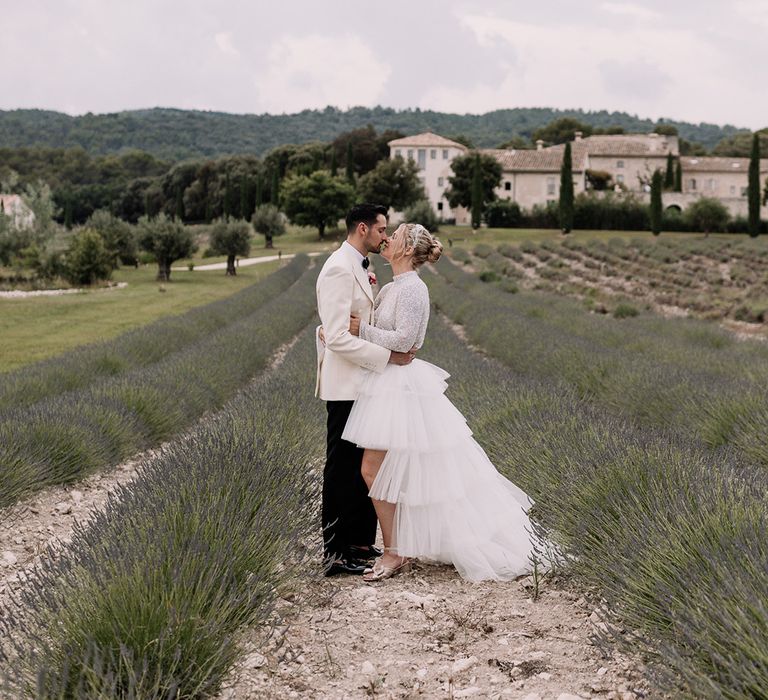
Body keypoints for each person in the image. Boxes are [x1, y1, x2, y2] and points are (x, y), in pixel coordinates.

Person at [341, 223, 537, 582]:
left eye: (395, 235)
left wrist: (361, 331)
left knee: (378, 469)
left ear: (405, 249)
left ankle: (395, 551)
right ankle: (399, 546)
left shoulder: (414, 288)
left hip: (400, 387)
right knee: (389, 470)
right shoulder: (391, 287)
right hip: (385, 382)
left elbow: (404, 340)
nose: (387, 238)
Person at [315, 203, 415, 576]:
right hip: (345, 385)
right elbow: (337, 337)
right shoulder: (339, 269)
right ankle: (336, 553)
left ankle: (359, 542)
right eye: (381, 230)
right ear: (362, 228)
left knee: (361, 468)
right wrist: (387, 356)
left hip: (364, 384)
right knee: (341, 468)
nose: (386, 237)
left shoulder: (361, 267)